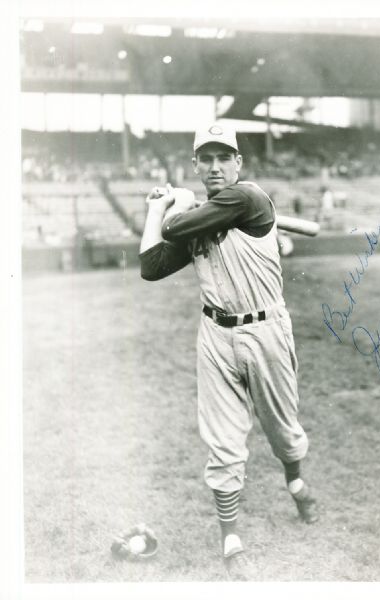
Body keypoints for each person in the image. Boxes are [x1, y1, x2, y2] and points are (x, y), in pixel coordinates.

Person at [139, 123, 318, 580]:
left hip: (266, 330)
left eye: (224, 158)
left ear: (238, 164)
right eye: (206, 159)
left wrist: (173, 202)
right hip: (216, 333)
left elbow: (176, 225)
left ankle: (295, 479)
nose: (215, 167)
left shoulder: (250, 198)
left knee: (284, 431)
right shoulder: (202, 218)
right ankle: (231, 538)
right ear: (196, 164)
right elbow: (151, 266)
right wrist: (156, 208)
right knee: (222, 441)